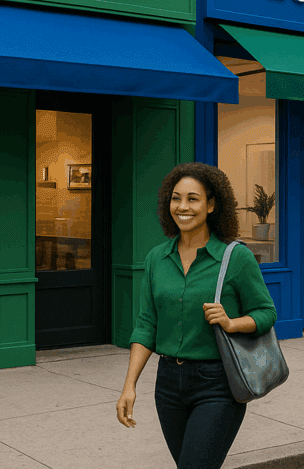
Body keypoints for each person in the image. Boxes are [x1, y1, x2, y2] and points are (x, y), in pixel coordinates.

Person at [115, 162, 277, 469]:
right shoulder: (156, 259)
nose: (182, 207)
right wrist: (129, 386)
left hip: (216, 384)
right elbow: (146, 325)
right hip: (168, 386)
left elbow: (266, 313)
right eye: (176, 198)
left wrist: (232, 322)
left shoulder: (235, 258)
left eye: (193, 198)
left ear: (212, 204)